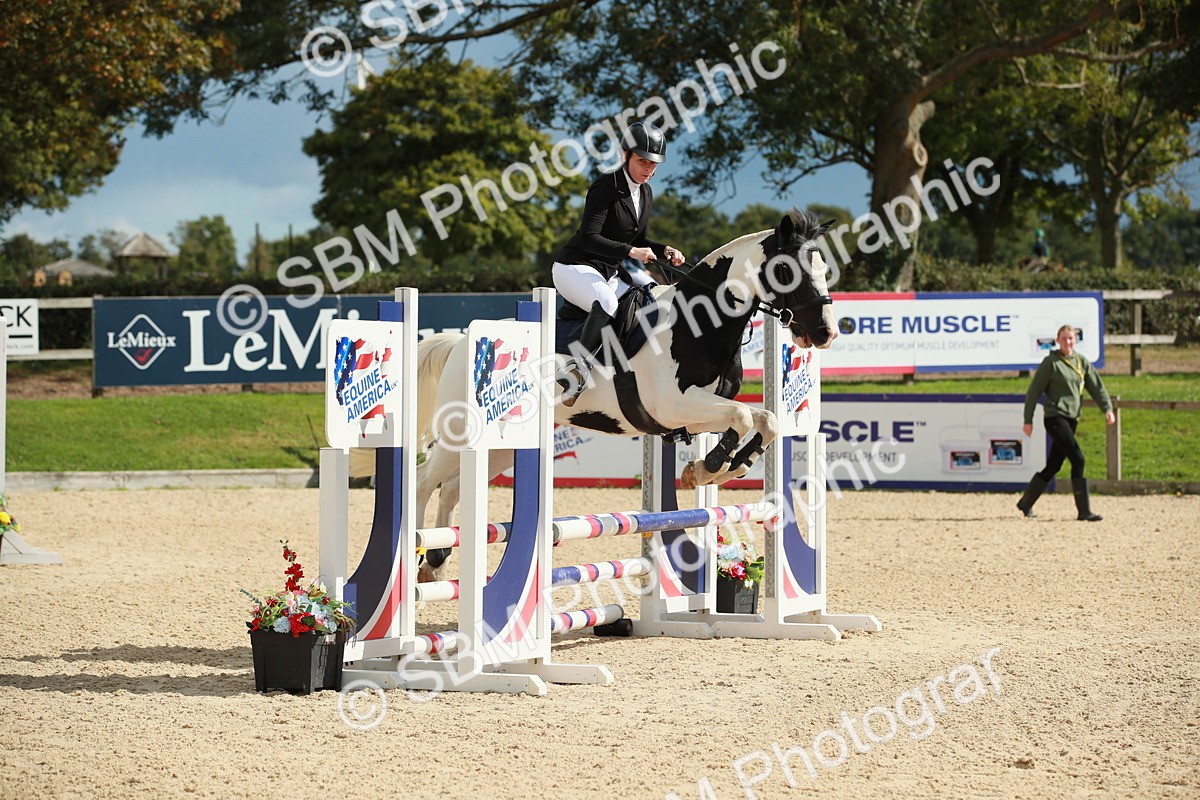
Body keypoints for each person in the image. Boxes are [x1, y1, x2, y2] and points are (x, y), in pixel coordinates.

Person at [551, 121, 687, 406]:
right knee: (609, 303)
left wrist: (665, 250)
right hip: (575, 267)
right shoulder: (605, 186)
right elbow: (589, 238)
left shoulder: (645, 192)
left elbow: (643, 239)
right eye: (642, 161)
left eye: (653, 164)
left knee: (652, 291)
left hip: (608, 271)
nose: (648, 169)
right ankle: (575, 373)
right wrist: (631, 252)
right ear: (625, 154)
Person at [1017, 325, 1116, 521]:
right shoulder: (1051, 363)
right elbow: (1033, 392)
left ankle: (1026, 502)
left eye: (1071, 338)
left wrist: (1107, 409)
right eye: (1064, 338)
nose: (1068, 342)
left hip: (1072, 418)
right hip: (1055, 417)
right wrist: (1027, 420)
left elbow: (1096, 386)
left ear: (1075, 340)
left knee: (1054, 465)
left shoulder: (1081, 362)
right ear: (1058, 340)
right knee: (1078, 459)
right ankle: (1084, 511)